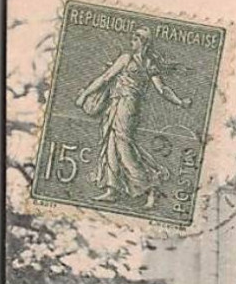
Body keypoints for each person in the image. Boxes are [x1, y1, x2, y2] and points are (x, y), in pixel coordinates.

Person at [75, 27, 191, 209]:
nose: (132, 41)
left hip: (126, 105)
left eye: (135, 38)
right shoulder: (148, 63)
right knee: (111, 143)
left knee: (122, 145)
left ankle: (150, 185)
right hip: (120, 104)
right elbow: (162, 89)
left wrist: (84, 96)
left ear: (143, 42)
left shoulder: (128, 59)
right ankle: (113, 189)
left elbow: (106, 78)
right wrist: (179, 102)